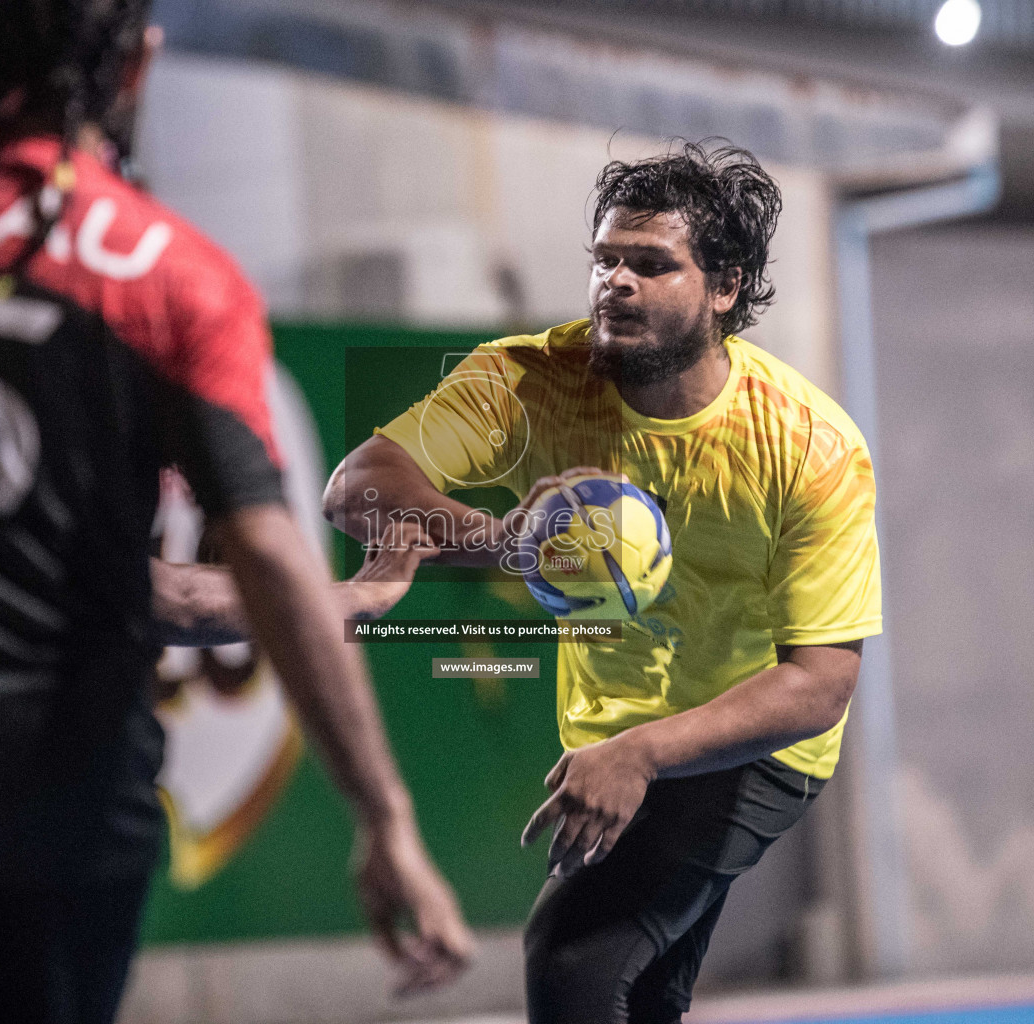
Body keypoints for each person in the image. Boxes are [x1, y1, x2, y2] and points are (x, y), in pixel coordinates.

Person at [0, 1, 470, 1019]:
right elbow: (260, 549)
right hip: (47, 818)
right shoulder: (167, 272)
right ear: (137, 66)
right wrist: (384, 815)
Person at [325, 141, 881, 1023]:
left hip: (751, 746)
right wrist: (508, 542)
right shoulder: (531, 379)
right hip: (610, 737)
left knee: (575, 960)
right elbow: (356, 490)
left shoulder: (811, 447)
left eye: (651, 264)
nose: (614, 282)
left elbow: (821, 683)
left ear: (724, 287)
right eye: (605, 259)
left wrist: (645, 753)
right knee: (639, 993)